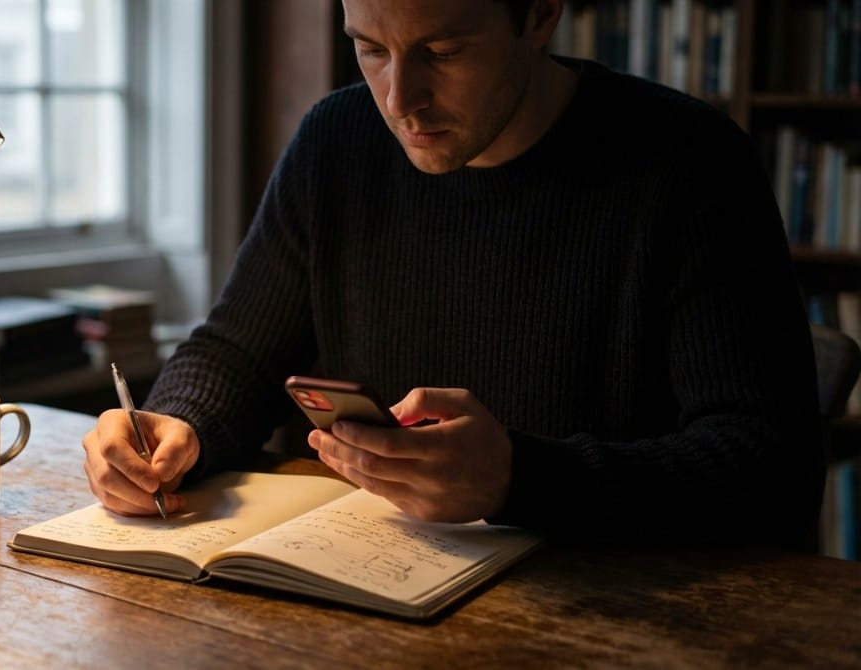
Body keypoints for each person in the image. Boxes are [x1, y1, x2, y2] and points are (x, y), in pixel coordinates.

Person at [82, 0, 824, 548]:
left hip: (613, 606)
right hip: (365, 584)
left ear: (540, 17)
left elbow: (770, 470)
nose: (400, 101)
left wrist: (520, 480)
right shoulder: (336, 141)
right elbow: (237, 351)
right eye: (370, 49)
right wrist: (176, 425)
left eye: (445, 50)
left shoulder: (690, 163)